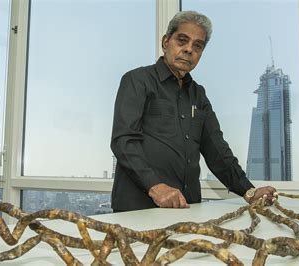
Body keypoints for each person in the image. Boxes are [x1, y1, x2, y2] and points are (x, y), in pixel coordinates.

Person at [110, 10, 277, 212]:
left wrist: (249, 192)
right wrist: (156, 187)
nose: (189, 49)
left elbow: (218, 152)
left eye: (197, 46)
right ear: (165, 42)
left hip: (188, 210)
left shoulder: (199, 95)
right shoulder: (137, 81)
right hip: (138, 209)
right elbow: (124, 141)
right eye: (182, 40)